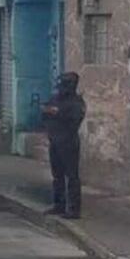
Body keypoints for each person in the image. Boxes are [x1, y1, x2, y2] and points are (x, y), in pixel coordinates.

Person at [42, 72, 86, 219]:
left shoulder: (76, 102)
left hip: (68, 142)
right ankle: (59, 206)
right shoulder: (56, 99)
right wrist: (50, 113)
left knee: (72, 176)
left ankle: (74, 210)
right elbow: (46, 113)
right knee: (57, 176)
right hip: (55, 140)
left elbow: (74, 121)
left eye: (63, 85)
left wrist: (58, 113)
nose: (60, 89)